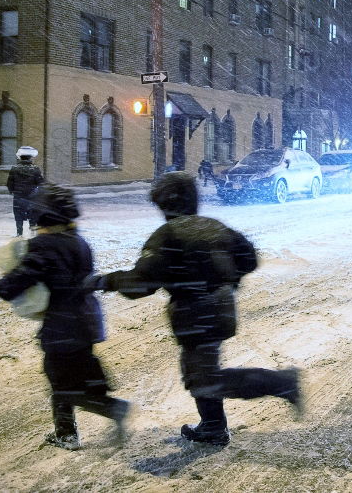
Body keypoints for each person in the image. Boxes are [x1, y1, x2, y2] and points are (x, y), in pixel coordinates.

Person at [88, 172, 302, 447]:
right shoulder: (213, 226)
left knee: (204, 380)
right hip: (219, 308)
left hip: (195, 312)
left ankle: (282, 383)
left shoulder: (168, 235)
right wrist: (225, 279)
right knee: (197, 372)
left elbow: (141, 282)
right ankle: (213, 426)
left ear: (164, 203)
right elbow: (248, 258)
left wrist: (105, 281)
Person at [0, 184, 130, 451]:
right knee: (75, 373)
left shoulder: (43, 246)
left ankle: (110, 411)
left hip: (62, 324)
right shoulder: (79, 242)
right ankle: (68, 430)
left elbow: (21, 279)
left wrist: (3, 286)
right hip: (85, 320)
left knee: (59, 381)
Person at [7, 146, 44, 237]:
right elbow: (41, 182)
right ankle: (32, 232)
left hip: (18, 196)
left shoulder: (14, 168)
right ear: (30, 157)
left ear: (20, 157)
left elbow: (9, 183)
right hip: (32, 196)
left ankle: (19, 233)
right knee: (33, 214)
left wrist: (12, 191)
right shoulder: (35, 169)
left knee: (18, 215)